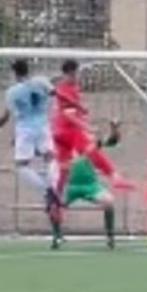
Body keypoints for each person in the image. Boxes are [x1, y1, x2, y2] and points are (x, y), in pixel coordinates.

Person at [0, 59, 62, 225]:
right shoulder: (41, 81)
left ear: (14, 72)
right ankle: (53, 186)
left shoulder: (11, 92)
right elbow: (55, 93)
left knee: (21, 165)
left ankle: (47, 191)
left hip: (25, 128)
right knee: (50, 158)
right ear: (28, 69)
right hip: (43, 126)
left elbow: (6, 116)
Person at [52, 60, 126, 193]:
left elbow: (109, 142)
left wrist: (114, 131)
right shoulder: (64, 89)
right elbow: (68, 113)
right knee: (91, 149)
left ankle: (56, 202)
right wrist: (86, 126)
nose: (76, 77)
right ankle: (114, 177)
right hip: (68, 130)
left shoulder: (70, 89)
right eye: (74, 74)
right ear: (69, 73)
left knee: (64, 169)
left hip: (60, 132)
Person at [60, 121, 122, 250]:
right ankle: (57, 236)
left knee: (108, 201)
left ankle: (110, 236)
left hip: (90, 185)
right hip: (72, 186)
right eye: (90, 132)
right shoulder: (71, 142)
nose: (92, 134)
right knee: (55, 204)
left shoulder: (92, 146)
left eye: (93, 133)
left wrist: (115, 129)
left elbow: (112, 141)